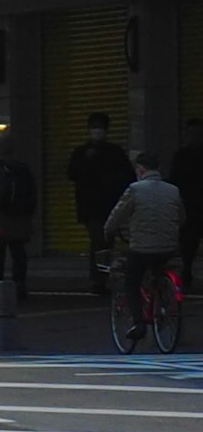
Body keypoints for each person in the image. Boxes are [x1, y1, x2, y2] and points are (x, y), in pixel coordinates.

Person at [103, 160, 189, 340]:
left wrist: (108, 230)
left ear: (140, 170)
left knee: (131, 282)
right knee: (160, 271)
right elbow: (181, 218)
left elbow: (118, 214)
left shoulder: (134, 189)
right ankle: (164, 300)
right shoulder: (173, 190)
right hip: (168, 247)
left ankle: (139, 323)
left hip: (142, 249)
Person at [71, 114, 138, 301]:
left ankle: (103, 277)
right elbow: (73, 173)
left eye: (99, 127)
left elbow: (128, 177)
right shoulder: (82, 153)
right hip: (91, 207)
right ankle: (97, 280)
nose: (97, 130)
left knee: (106, 242)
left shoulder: (115, 153)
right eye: (94, 127)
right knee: (99, 240)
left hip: (110, 205)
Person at [0, 147, 40, 301]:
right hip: (19, 219)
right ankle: (19, 285)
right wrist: (28, 216)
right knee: (18, 253)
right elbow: (33, 195)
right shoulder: (23, 169)